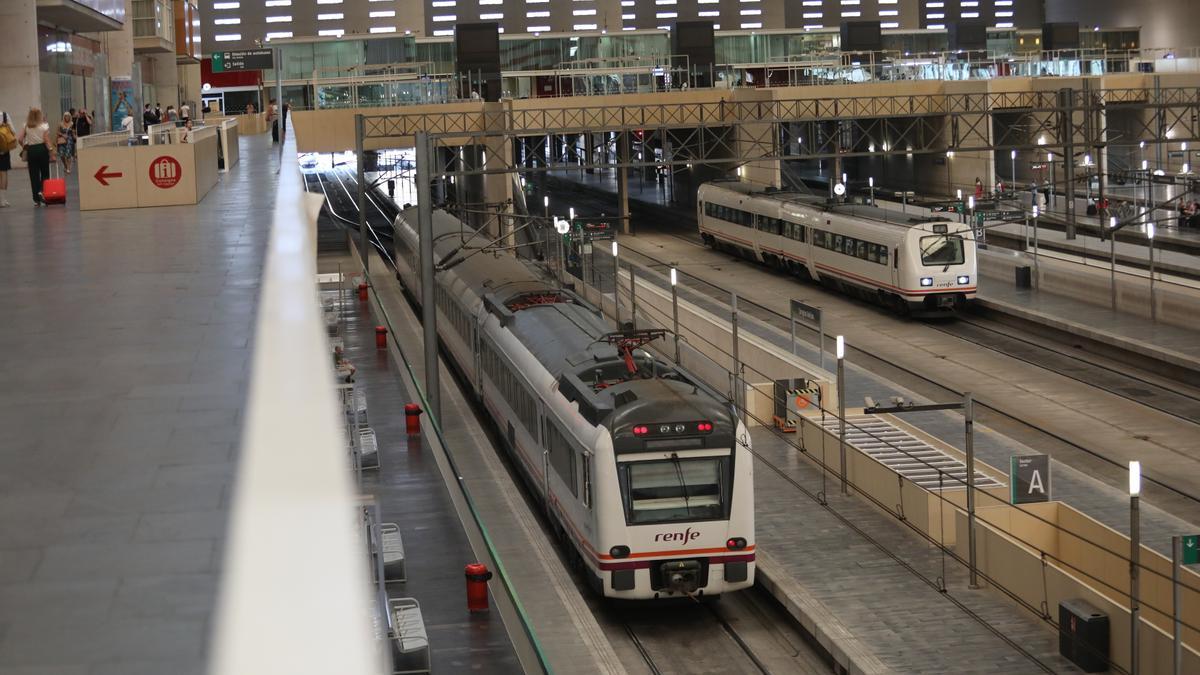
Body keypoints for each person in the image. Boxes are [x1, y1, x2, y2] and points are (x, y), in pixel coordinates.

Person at [17, 108, 54, 206]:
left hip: (31, 151)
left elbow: (20, 139)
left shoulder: (26, 125)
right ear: (39, 115)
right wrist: (51, 152)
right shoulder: (44, 126)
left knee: (33, 175)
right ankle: (42, 192)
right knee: (45, 173)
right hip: (42, 149)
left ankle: (36, 199)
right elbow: (46, 140)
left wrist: (24, 146)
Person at [0, 111, 13, 207]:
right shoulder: (5, 115)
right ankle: (3, 200)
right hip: (3, 148)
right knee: (3, 173)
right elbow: (13, 131)